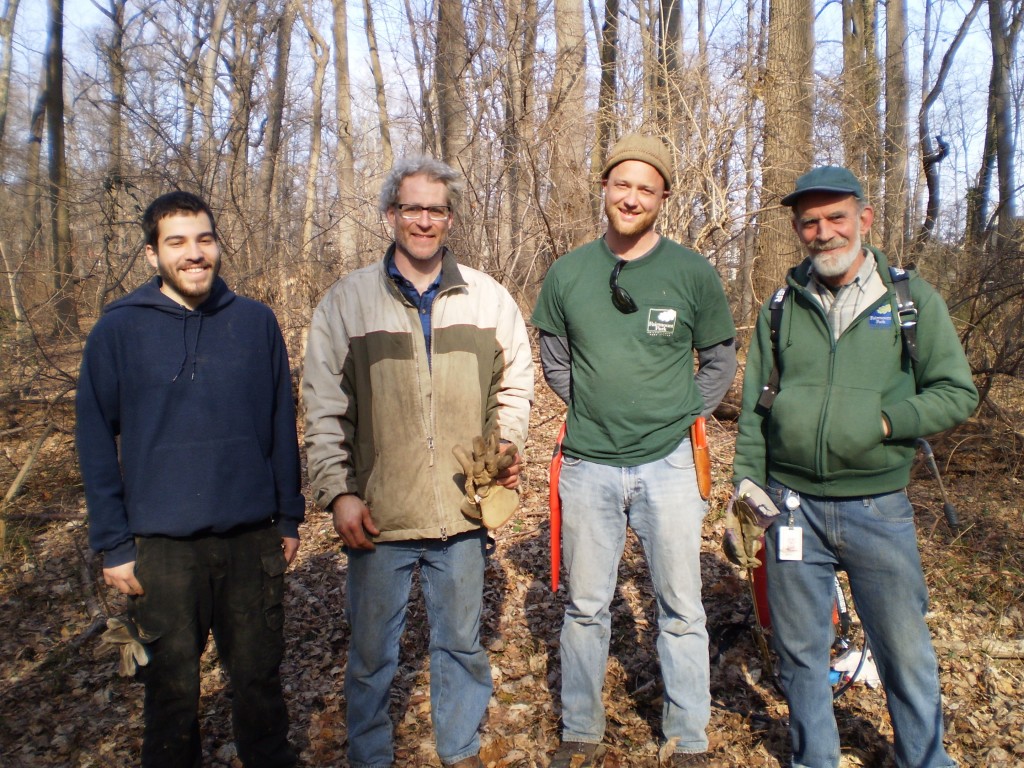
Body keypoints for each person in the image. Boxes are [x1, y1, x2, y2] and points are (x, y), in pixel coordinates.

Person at [733, 166, 977, 768]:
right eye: (810, 221)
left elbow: (956, 391)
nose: (823, 232)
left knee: (905, 651)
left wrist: (885, 422)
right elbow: (755, 410)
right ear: (798, 229)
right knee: (799, 652)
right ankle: (815, 758)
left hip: (877, 508)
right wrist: (746, 492)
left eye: (836, 217)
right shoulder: (780, 306)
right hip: (790, 507)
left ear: (864, 219)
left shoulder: (909, 300)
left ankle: (926, 759)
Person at [302, 156, 533, 768]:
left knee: (460, 645)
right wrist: (338, 492)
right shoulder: (347, 303)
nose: (424, 221)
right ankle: (370, 757)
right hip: (380, 515)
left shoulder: (487, 297)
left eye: (436, 209)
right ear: (390, 215)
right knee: (373, 655)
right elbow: (324, 408)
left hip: (462, 512)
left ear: (450, 218)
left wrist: (504, 448)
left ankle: (459, 751)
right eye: (412, 208)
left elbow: (514, 388)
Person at [76, 191, 305, 767]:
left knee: (258, 686)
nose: (194, 253)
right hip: (162, 549)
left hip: (251, 538)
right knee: (171, 696)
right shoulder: (118, 332)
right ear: (152, 254)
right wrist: (113, 543)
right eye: (176, 242)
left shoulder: (254, 323)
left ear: (218, 244)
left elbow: (281, 421)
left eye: (204, 239)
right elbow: (95, 440)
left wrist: (289, 513)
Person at [531, 134, 737, 767]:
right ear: (605, 189)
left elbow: (721, 358)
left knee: (680, 606)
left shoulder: (691, 273)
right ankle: (582, 730)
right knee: (587, 606)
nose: (632, 196)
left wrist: (681, 415)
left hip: (670, 466)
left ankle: (688, 737)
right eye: (623, 184)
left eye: (647, 188)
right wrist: (592, 406)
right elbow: (554, 359)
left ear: (663, 198)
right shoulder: (568, 273)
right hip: (589, 464)